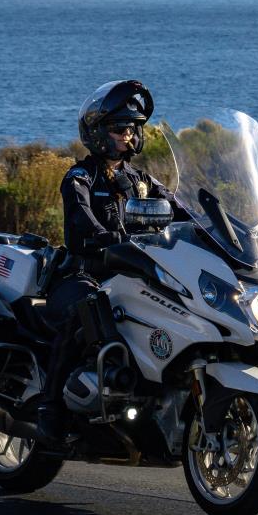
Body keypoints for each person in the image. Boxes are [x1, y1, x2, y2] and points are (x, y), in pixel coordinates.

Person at [36, 79, 184, 445]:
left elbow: (179, 209)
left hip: (128, 275)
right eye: (120, 128)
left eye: (132, 128)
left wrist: (215, 226)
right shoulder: (80, 177)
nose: (128, 135)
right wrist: (107, 237)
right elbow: (80, 217)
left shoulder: (140, 180)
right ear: (99, 132)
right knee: (87, 307)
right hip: (82, 274)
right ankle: (50, 406)